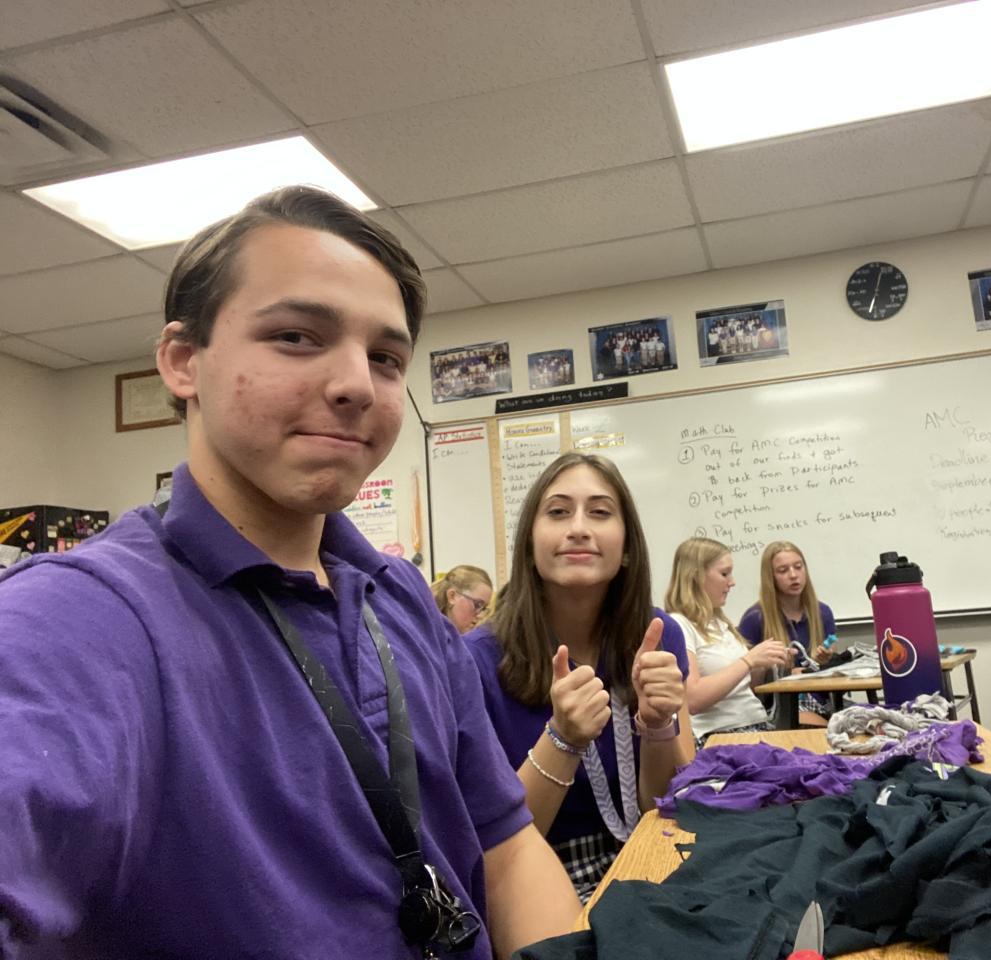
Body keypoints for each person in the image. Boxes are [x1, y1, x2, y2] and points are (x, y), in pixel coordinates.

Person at [0, 186, 579, 959]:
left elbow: (504, 846)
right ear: (183, 361)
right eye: (298, 337)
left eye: (385, 358)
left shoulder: (400, 595)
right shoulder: (78, 620)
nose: (357, 384)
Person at [464, 452, 693, 900]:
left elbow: (665, 809)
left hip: (647, 852)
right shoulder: (476, 660)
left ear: (627, 548)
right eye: (558, 512)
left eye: (600, 512)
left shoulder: (657, 634)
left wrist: (658, 727)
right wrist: (563, 740)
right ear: (529, 546)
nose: (579, 528)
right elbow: (493, 848)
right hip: (535, 875)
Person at [664, 537, 790, 749]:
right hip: (720, 736)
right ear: (696, 576)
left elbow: (742, 687)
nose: (732, 582)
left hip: (754, 726)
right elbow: (692, 699)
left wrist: (764, 663)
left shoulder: (719, 622)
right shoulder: (680, 625)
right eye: (724, 574)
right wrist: (748, 661)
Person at [738, 541, 837, 724]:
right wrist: (782, 672)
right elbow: (745, 684)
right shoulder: (755, 619)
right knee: (826, 730)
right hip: (780, 706)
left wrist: (826, 660)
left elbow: (833, 672)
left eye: (798, 567)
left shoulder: (822, 613)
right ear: (771, 578)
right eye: (783, 571)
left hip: (823, 702)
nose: (793, 575)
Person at [432, 563, 494, 634]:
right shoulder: (429, 634)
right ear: (452, 596)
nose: (481, 615)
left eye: (484, 609)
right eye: (478, 605)